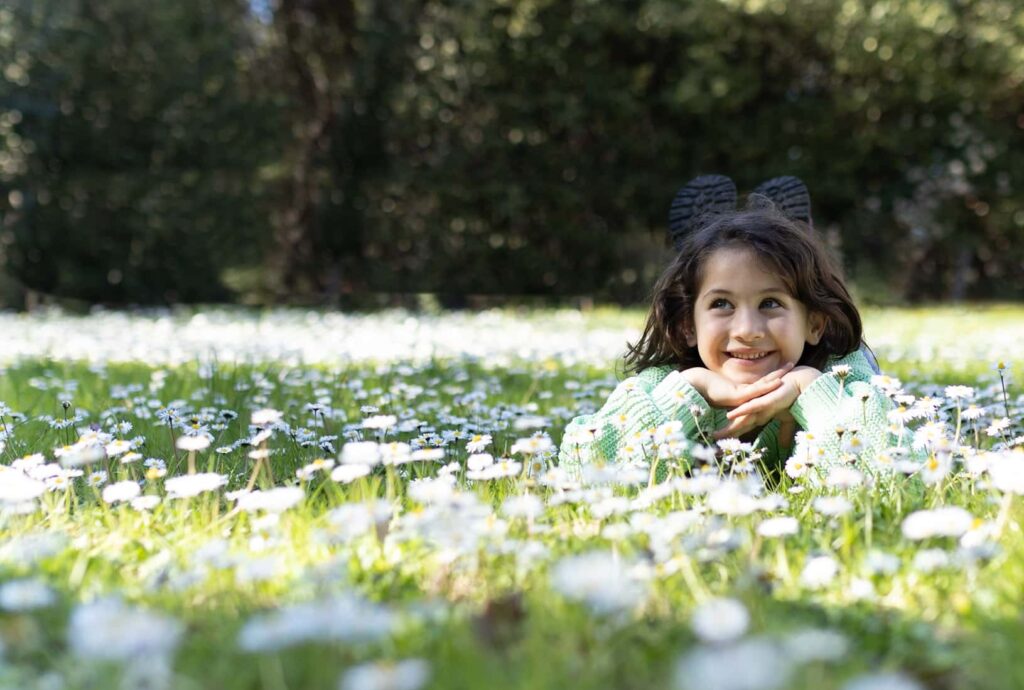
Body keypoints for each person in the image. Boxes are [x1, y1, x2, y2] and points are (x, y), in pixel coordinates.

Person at [558, 175, 893, 483]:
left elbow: (886, 475)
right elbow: (581, 471)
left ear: (815, 325)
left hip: (826, 352)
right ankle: (753, 243)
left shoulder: (844, 381)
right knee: (724, 262)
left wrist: (808, 387)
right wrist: (690, 388)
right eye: (722, 304)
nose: (747, 330)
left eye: (770, 303)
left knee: (789, 276)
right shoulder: (664, 383)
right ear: (687, 326)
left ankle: (781, 241)